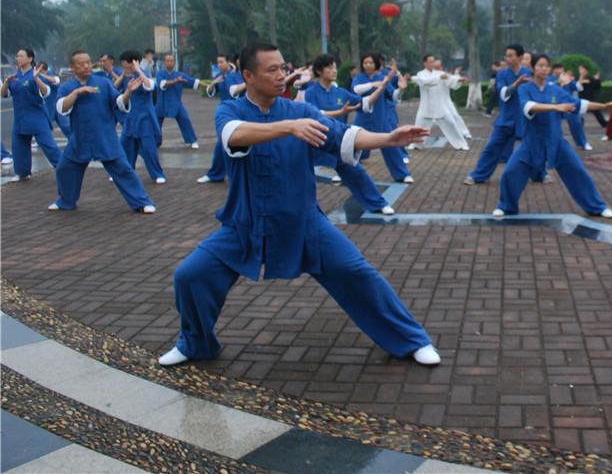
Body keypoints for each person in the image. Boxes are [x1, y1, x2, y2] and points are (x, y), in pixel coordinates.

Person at [157, 43, 439, 368]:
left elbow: (343, 135)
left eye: (283, 67)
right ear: (248, 75)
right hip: (244, 224)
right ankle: (196, 344)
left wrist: (389, 138)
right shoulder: (232, 111)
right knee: (191, 275)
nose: (282, 75)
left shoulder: (300, 111)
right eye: (272, 70)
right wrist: (288, 127)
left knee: (357, 272)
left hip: (304, 223)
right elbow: (234, 135)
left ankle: (412, 340)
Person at [493, 53, 612, 217]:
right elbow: (529, 107)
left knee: (578, 172)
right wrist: (555, 107)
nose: (544, 69)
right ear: (533, 67)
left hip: (556, 142)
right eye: (540, 65)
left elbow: (578, 104)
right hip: (532, 142)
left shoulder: (555, 90)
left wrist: (603, 105)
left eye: (547, 66)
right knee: (510, 172)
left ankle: (597, 207)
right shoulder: (525, 88)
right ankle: (506, 206)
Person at [48, 51, 156, 213]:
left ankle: (142, 202)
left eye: (88, 62)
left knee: (124, 170)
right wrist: (77, 93)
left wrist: (128, 93)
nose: (86, 66)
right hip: (80, 137)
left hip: (105, 137)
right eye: (81, 63)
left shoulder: (103, 83)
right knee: (64, 169)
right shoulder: (68, 87)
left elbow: (118, 103)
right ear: (72, 67)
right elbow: (61, 108)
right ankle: (66, 201)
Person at [304, 54, 396, 214]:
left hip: (334, 142)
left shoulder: (341, 92)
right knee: (300, 178)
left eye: (335, 67)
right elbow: (315, 114)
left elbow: (365, 104)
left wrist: (382, 87)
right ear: (319, 71)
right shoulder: (311, 92)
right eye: (330, 67)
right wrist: (339, 111)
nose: (334, 70)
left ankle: (379, 204)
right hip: (313, 141)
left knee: (357, 171)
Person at [465, 45, 535, 184]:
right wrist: (517, 83)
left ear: (520, 57)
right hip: (506, 119)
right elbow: (503, 93)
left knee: (533, 147)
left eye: (511, 55)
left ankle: (539, 174)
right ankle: (478, 176)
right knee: (492, 147)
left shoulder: (530, 73)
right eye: (506, 56)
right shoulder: (502, 74)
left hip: (525, 119)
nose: (507, 59)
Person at [1, 48, 62, 181]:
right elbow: (4, 94)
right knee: (19, 148)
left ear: (30, 58)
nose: (18, 58)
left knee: (49, 146)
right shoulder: (15, 77)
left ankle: (64, 169)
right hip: (20, 119)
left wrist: (37, 79)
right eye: (17, 56)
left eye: (21, 56)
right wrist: (6, 83)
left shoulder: (35, 74)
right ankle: (23, 173)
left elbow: (46, 92)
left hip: (36, 118)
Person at [352, 53, 413, 183]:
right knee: (352, 144)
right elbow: (356, 90)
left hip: (380, 118)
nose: (367, 65)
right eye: (365, 63)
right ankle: (343, 172)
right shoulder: (359, 78)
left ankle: (402, 174)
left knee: (390, 145)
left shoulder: (382, 78)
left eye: (371, 63)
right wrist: (373, 84)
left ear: (376, 65)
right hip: (362, 119)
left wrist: (401, 89)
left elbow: (393, 96)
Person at [118, 50, 166, 183]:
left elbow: (151, 86)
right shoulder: (126, 76)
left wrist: (139, 70)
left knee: (148, 148)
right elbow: (115, 89)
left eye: (125, 65)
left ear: (133, 63)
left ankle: (157, 174)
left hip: (145, 118)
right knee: (126, 146)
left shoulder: (142, 74)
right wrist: (123, 75)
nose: (124, 67)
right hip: (130, 118)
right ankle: (126, 173)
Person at [197, 54, 245, 184]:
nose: (219, 64)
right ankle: (216, 174)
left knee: (234, 144)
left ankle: (236, 174)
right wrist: (214, 83)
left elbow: (234, 92)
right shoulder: (220, 76)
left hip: (239, 112)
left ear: (228, 63)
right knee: (221, 144)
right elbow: (210, 92)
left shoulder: (237, 75)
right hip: (225, 112)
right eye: (218, 62)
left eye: (222, 62)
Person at [412, 54, 469, 150]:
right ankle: (416, 144)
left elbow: (450, 81)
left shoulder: (439, 73)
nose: (432, 64)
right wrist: (439, 78)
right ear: (425, 63)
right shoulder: (421, 74)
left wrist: (460, 79)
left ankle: (461, 145)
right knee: (419, 127)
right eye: (430, 62)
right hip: (426, 107)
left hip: (440, 106)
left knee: (451, 123)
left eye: (433, 61)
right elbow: (425, 82)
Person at [155, 53, 202, 149]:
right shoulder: (160, 74)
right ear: (164, 62)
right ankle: (156, 142)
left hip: (176, 103)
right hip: (162, 103)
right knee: (156, 123)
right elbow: (162, 84)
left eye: (171, 61)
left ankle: (192, 140)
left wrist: (210, 85)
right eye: (167, 61)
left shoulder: (180, 75)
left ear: (174, 62)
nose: (169, 63)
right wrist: (176, 81)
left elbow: (194, 82)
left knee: (185, 119)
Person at [37, 62, 73, 138]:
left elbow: (56, 81)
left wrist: (42, 75)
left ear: (43, 69)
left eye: (39, 69)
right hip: (47, 107)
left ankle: (75, 142)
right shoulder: (37, 77)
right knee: (45, 128)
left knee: (66, 126)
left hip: (58, 106)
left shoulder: (50, 74)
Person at [578, 64, 607, 129]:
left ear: (586, 71)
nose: (581, 71)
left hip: (591, 99)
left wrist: (597, 79)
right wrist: (582, 80)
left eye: (582, 69)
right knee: (580, 115)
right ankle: (579, 126)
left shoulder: (590, 79)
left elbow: (597, 87)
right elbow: (577, 85)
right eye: (580, 70)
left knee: (597, 113)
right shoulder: (578, 78)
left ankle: (605, 124)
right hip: (582, 100)